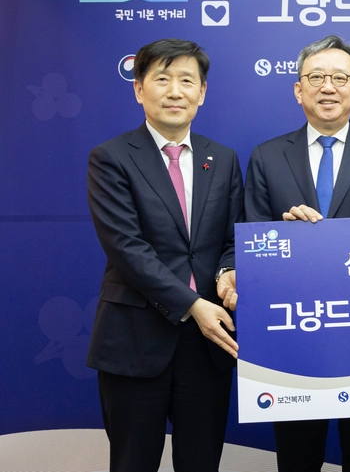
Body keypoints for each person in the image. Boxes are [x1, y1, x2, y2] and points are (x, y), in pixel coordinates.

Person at [245, 34, 350, 472]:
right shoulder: (266, 157)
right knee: (297, 458)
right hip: (292, 334)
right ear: (298, 89)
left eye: (340, 78)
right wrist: (285, 238)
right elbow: (254, 245)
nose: (328, 87)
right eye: (316, 77)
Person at [86, 39, 244, 472]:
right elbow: (126, 247)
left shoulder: (223, 159)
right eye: (162, 79)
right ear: (139, 89)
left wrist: (228, 270)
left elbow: (233, 237)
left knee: (201, 463)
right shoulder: (111, 158)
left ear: (202, 93)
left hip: (207, 344)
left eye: (187, 81)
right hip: (135, 340)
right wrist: (193, 304)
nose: (175, 91)